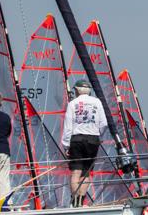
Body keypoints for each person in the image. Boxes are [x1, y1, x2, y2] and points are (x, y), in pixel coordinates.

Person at [62, 80, 107, 208]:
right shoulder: (97, 102)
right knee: (86, 172)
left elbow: (68, 127)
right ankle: (81, 201)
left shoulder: (72, 104)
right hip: (93, 139)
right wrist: (98, 135)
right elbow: (104, 123)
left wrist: (66, 146)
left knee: (76, 172)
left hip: (77, 139)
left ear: (77, 90)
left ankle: (75, 202)